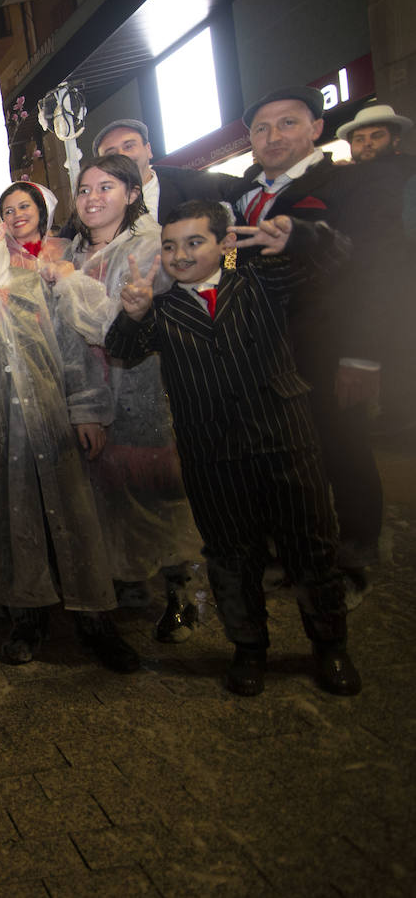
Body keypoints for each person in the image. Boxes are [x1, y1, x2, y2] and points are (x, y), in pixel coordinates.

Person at [107, 201, 360, 695]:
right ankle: (249, 650)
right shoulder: (162, 309)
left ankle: (331, 647)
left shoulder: (261, 280)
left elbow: (340, 261)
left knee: (311, 548)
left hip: (285, 441)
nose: (180, 255)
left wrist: (302, 236)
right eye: (170, 245)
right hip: (212, 456)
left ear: (225, 244)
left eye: (194, 242)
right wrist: (133, 315)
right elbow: (122, 350)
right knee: (230, 556)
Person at [0, 192, 138, 671]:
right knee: (8, 529)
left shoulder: (35, 286)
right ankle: (26, 618)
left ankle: (96, 621)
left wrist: (85, 411)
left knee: (76, 523)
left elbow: (73, 354)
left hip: (52, 429)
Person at [225, 86, 408, 582]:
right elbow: (234, 263)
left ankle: (356, 544)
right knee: (282, 454)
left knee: (340, 444)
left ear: (315, 129)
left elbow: (375, 269)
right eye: (261, 128)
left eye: (287, 123)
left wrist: (363, 355)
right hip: (261, 351)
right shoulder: (241, 194)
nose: (273, 135)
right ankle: (298, 542)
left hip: (328, 345)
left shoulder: (350, 186)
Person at [55, 154, 201, 639]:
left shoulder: (149, 246)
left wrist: (69, 283)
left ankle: (180, 591)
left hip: (141, 393)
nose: (93, 198)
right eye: (85, 190)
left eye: (106, 188)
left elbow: (112, 325)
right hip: (86, 392)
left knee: (160, 492)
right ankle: (133, 580)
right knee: (108, 496)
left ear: (132, 194)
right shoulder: (72, 252)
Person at [91, 118, 238, 221]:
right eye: (111, 154)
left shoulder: (197, 185)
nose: (122, 155)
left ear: (148, 150)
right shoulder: (93, 207)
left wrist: (229, 264)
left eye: (129, 146)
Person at [0, 181, 65, 271]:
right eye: (9, 211)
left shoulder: (65, 248)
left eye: (24, 206)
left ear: (40, 209)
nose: (17, 214)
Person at [337, 103, 410, 162]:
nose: (367, 143)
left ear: (395, 140)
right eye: (359, 140)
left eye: (376, 136)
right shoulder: (344, 177)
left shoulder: (410, 168)